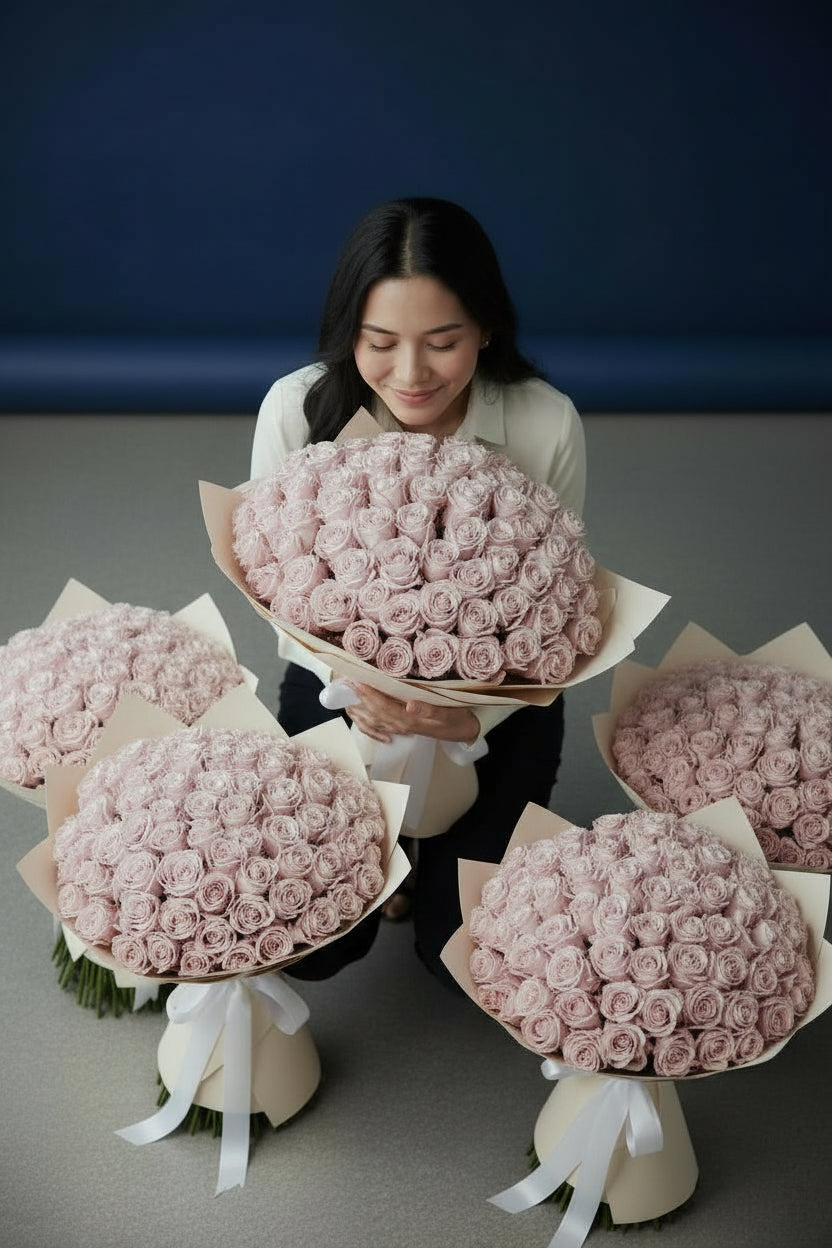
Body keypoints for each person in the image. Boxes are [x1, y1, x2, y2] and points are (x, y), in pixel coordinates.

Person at [250, 197, 586, 990]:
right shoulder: (298, 409)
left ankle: (432, 862)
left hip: (503, 694)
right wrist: (353, 688)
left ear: (487, 328)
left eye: (443, 342)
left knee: (459, 957)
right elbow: (270, 585)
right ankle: (396, 852)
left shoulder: (546, 423)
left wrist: (474, 714)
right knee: (318, 942)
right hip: (345, 692)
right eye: (380, 343)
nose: (411, 374)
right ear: (348, 335)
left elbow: (561, 600)